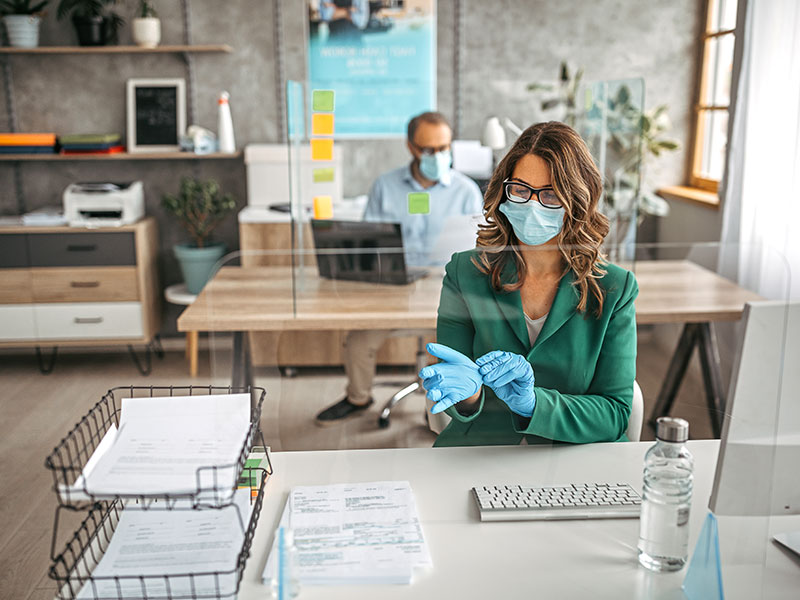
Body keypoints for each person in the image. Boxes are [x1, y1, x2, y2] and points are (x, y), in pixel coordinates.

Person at [419, 121, 638, 447]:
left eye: (550, 195)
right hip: (482, 447)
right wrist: (469, 395)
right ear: (504, 190)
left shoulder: (615, 288)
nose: (532, 205)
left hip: (576, 453)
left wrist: (533, 404)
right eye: (520, 189)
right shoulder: (465, 272)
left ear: (577, 200)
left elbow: (616, 411)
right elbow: (456, 398)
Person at [315, 111, 484, 425]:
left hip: (446, 286)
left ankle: (441, 411)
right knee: (359, 339)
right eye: (429, 149)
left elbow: (481, 250)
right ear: (411, 147)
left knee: (452, 342)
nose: (438, 156)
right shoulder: (386, 185)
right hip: (394, 284)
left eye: (444, 148)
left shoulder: (466, 191)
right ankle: (358, 397)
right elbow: (366, 244)